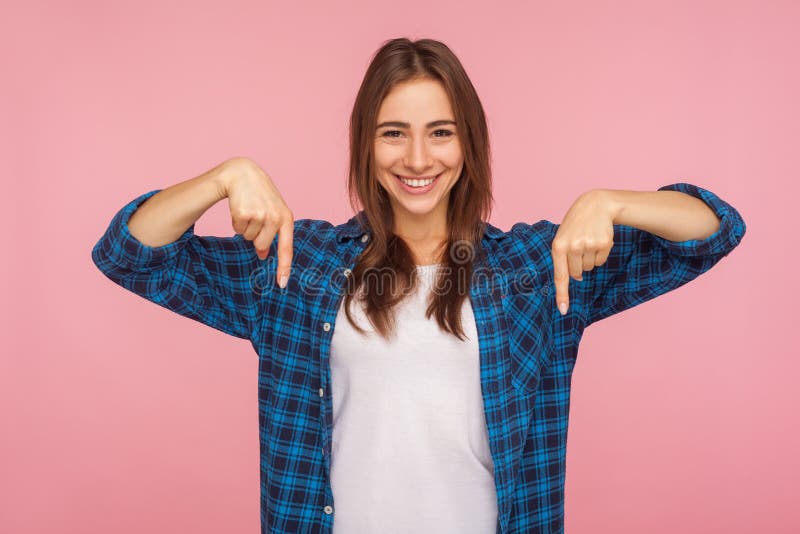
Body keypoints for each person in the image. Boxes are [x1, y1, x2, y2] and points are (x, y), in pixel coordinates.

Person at [91, 37, 746, 534]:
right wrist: (223, 177)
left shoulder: (535, 269)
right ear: (366, 148)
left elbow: (714, 231)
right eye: (393, 134)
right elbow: (128, 254)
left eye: (440, 133)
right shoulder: (299, 265)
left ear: (468, 145)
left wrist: (612, 202)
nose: (417, 159)